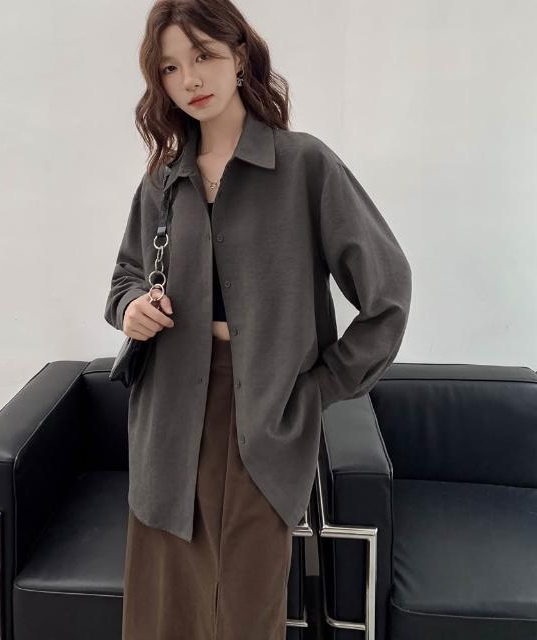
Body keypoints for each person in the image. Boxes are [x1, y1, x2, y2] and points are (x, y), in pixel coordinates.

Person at [105, 1, 413, 638]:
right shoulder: (163, 181)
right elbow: (126, 278)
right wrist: (131, 309)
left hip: (265, 413)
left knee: (245, 610)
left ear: (240, 55)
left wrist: (318, 387)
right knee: (163, 610)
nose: (190, 79)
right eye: (170, 68)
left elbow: (387, 295)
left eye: (203, 56)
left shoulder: (304, 165)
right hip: (168, 415)